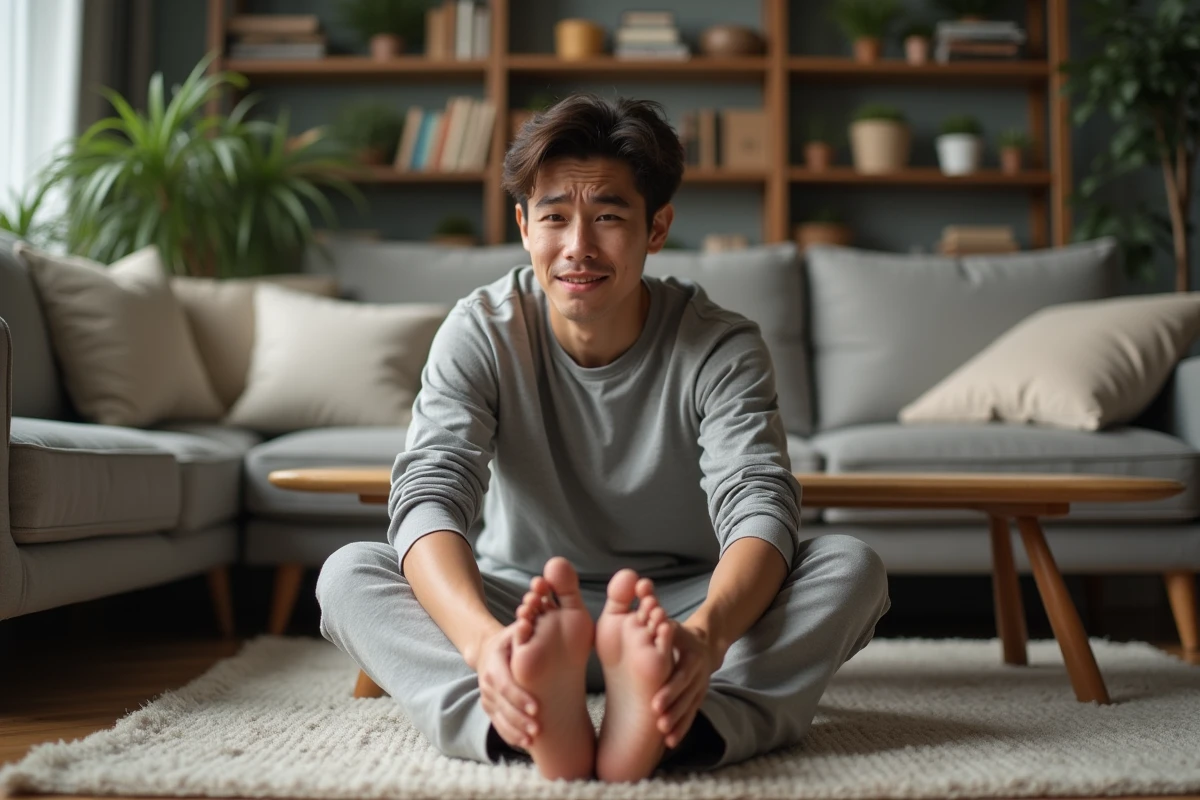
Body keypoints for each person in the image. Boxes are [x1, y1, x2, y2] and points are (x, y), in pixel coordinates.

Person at [315, 93, 890, 783]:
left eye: (609, 217)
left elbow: (758, 500)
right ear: (524, 226)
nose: (578, 247)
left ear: (656, 227)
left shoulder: (720, 344)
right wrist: (484, 643)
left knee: (850, 567)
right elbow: (432, 491)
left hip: (676, 612)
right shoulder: (481, 330)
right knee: (349, 573)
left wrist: (704, 637)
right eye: (555, 216)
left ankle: (674, 713)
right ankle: (519, 710)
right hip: (521, 607)